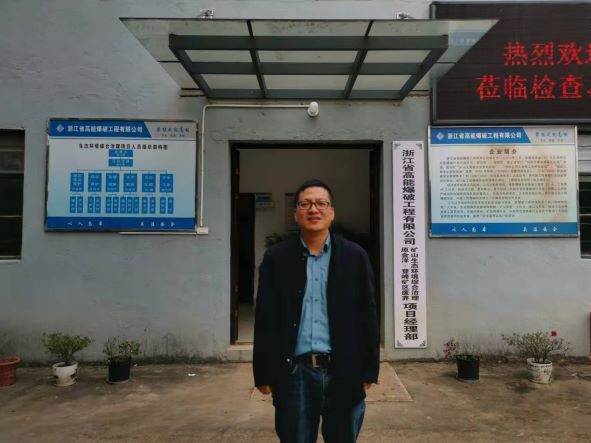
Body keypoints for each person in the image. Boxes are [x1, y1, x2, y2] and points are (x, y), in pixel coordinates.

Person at [253, 178, 379, 443]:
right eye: (306, 204)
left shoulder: (355, 257)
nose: (313, 209)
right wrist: (262, 372)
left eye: (321, 203)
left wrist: (369, 369)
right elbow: (265, 317)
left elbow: (367, 314)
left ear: (332, 212)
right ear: (295, 213)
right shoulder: (276, 258)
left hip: (344, 369)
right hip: (295, 373)